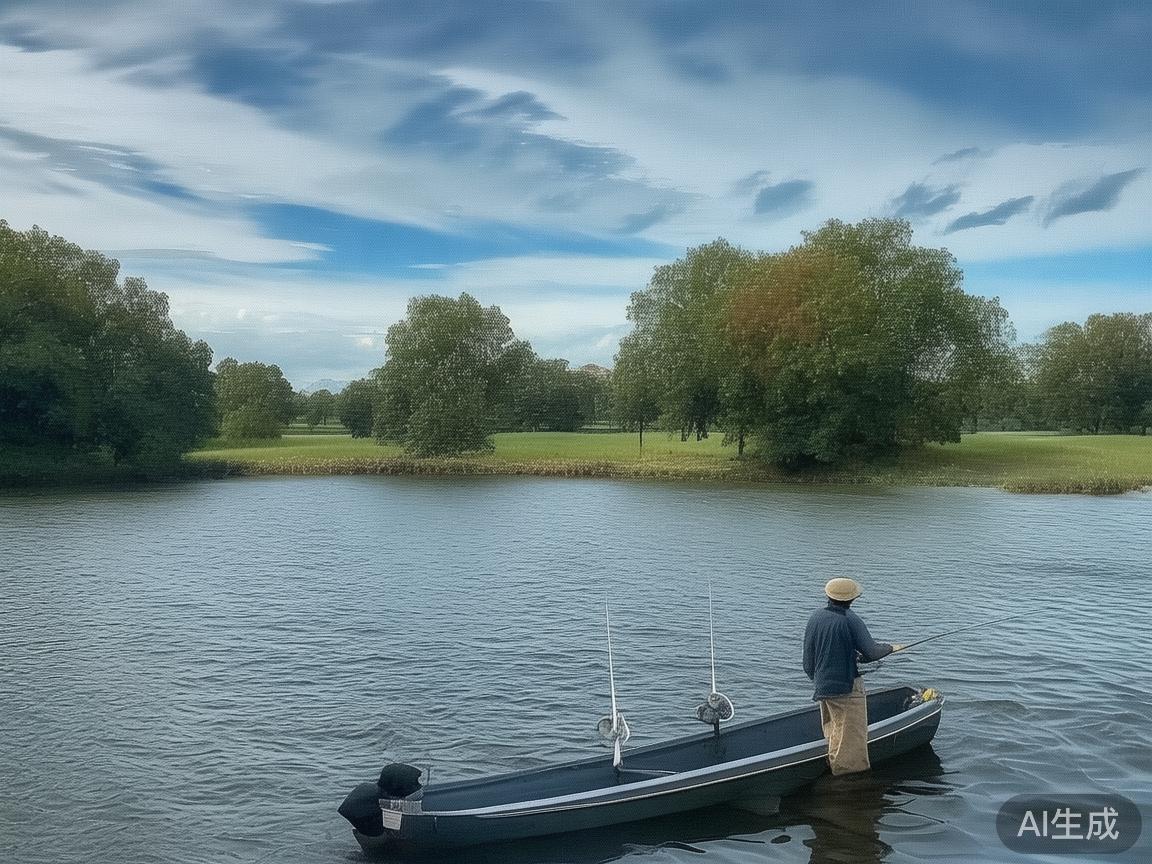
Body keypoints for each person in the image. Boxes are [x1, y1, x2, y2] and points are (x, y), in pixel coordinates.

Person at [802, 577, 904, 775]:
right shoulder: (850, 619)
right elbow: (872, 652)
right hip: (847, 688)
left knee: (835, 733)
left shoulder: (815, 617)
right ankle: (848, 783)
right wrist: (891, 648)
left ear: (828, 596)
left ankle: (833, 769)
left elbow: (808, 660)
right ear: (852, 599)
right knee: (851, 743)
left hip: (823, 685)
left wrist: (818, 678)